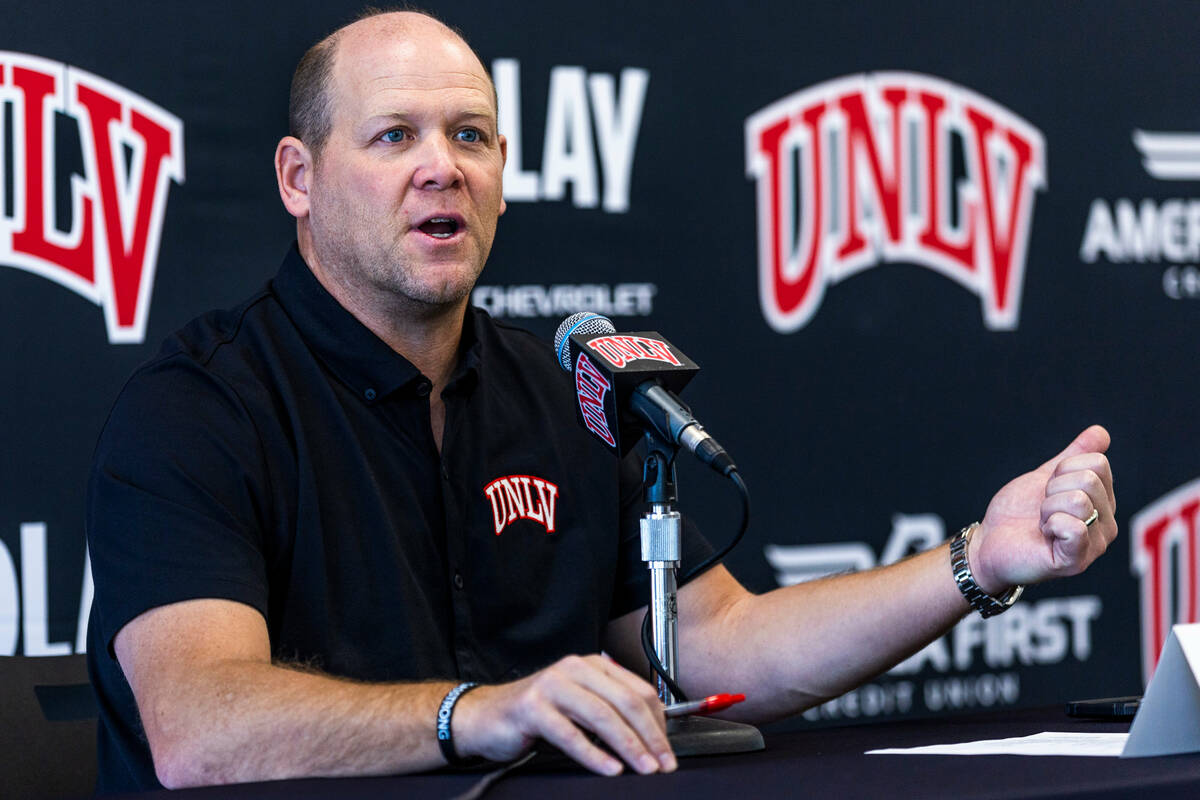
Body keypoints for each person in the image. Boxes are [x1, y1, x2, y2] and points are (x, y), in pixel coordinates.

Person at [85, 9, 1118, 793]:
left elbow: (720, 651)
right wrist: (474, 712)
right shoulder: (195, 407)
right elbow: (200, 724)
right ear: (297, 177)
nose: (442, 168)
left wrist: (977, 560)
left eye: (472, 136)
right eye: (394, 137)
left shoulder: (562, 387)